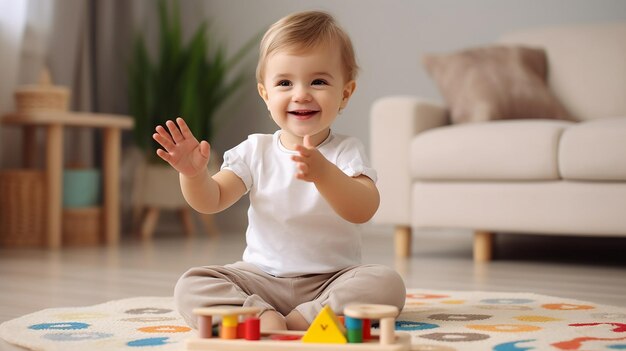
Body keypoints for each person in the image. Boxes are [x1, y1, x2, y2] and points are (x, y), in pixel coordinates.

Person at [153, 10, 406, 331]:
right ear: (266, 94)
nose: (301, 93)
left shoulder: (345, 150)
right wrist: (193, 175)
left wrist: (324, 173)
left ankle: (305, 317)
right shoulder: (254, 150)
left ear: (345, 92)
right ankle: (261, 316)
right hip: (260, 279)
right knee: (191, 283)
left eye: (318, 81)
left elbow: (364, 208)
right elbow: (211, 200)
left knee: (386, 283)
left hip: (330, 281)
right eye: (285, 82)